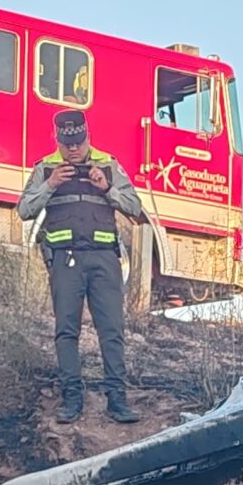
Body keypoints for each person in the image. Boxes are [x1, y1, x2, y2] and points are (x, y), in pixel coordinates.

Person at [18, 108, 145, 423]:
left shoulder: (108, 165)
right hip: (65, 260)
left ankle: (117, 401)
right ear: (57, 140)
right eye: (67, 144)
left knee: (112, 331)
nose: (73, 149)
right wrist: (50, 186)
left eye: (78, 142)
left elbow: (135, 208)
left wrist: (107, 188)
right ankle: (71, 400)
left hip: (104, 259)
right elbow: (23, 210)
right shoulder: (46, 168)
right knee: (66, 331)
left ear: (87, 136)